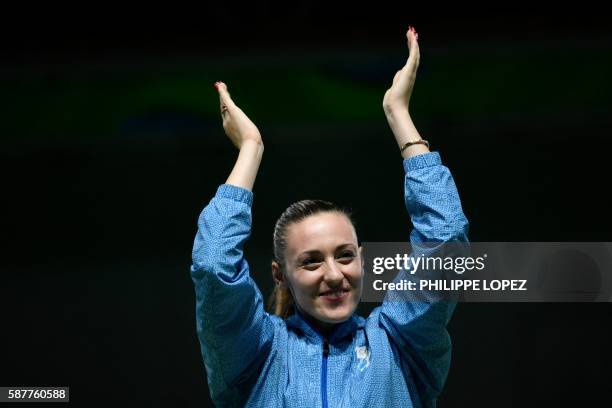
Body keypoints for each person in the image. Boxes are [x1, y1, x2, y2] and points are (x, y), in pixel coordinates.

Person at [190, 26, 469, 407]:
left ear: (362, 259)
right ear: (279, 275)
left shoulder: (401, 342)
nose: (334, 274)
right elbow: (212, 266)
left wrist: (399, 114)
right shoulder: (256, 353)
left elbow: (447, 240)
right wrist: (250, 150)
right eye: (311, 261)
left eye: (344, 255)